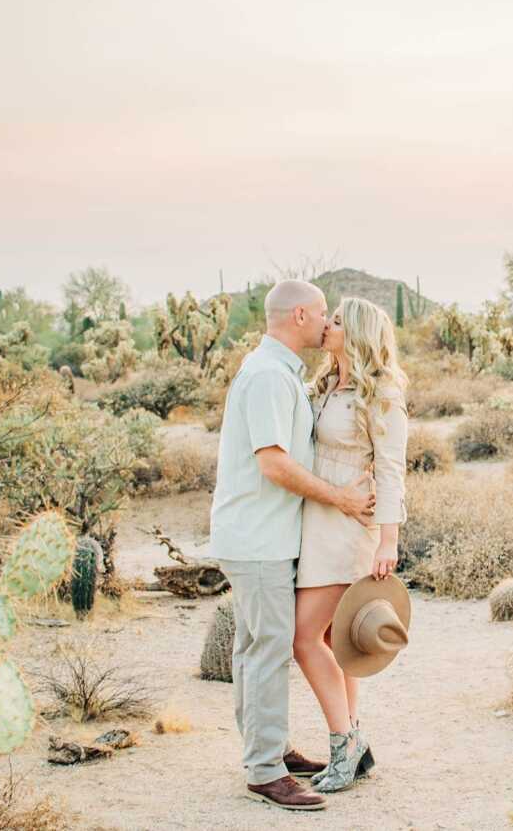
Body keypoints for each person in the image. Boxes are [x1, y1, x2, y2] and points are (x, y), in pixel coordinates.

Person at [209, 280, 376, 812]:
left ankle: (270, 749)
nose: (329, 324)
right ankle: (264, 772)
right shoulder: (266, 378)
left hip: (265, 535)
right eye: (323, 314)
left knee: (254, 648)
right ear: (300, 315)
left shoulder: (281, 374)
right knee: (270, 648)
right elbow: (274, 464)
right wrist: (344, 501)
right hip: (258, 538)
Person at [293, 296, 409, 793]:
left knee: (303, 639)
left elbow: (391, 469)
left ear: (356, 333)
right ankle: (354, 744)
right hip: (317, 518)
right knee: (331, 643)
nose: (326, 325)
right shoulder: (325, 384)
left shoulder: (381, 391)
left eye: (336, 321)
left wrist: (388, 540)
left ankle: (344, 742)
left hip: (349, 529)